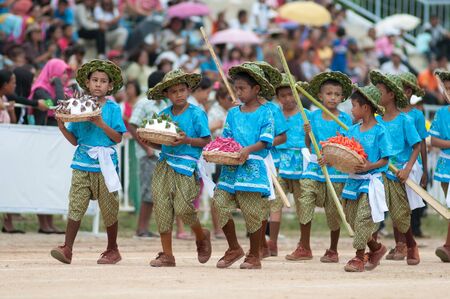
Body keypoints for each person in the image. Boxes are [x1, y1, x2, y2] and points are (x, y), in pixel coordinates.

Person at [50, 59, 127, 264]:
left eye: (103, 81)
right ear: (87, 83)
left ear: (110, 86)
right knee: (76, 204)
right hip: (82, 162)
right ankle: (67, 248)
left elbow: (118, 138)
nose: (98, 84)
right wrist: (63, 128)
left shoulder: (112, 109)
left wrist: (100, 123)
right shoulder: (79, 107)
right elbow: (76, 141)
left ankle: (112, 249)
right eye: (94, 80)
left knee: (109, 207)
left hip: (105, 164)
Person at [146, 69, 212, 267]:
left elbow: (206, 140)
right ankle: (167, 255)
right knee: (162, 207)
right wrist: (149, 142)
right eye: (173, 91)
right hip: (165, 164)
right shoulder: (163, 115)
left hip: (187, 165)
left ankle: (201, 236)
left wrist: (187, 140)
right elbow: (162, 144)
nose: (179, 94)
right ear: (167, 94)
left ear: (189, 90)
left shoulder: (197, 113)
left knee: (183, 206)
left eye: (182, 90)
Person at [213, 63, 275, 269]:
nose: (238, 92)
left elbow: (265, 141)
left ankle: (254, 254)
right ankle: (233, 248)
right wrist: (216, 153)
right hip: (231, 168)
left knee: (252, 213)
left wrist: (247, 150)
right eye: (236, 88)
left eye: (242, 88)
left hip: (253, 167)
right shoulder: (232, 113)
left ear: (256, 89)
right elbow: (226, 139)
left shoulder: (266, 112)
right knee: (219, 203)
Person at [288, 71, 353, 263]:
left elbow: (345, 144)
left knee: (333, 211)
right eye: (328, 93)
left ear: (342, 97)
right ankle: (304, 246)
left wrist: (331, 158)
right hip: (315, 167)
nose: (332, 97)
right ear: (320, 96)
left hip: (336, 169)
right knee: (305, 198)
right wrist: (307, 133)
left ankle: (333, 250)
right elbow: (308, 143)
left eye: (336, 94)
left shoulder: (345, 119)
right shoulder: (313, 116)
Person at [339, 84, 393, 272]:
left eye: (354, 106)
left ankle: (359, 257)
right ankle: (377, 249)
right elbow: (343, 151)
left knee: (363, 219)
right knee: (352, 218)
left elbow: (385, 158)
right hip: (353, 181)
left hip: (371, 181)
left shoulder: (380, 130)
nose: (351, 110)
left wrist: (370, 165)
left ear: (365, 108)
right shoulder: (352, 130)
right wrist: (329, 159)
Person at [370, 70, 421, 265]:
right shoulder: (376, 120)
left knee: (400, 214)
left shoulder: (405, 120)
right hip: (378, 171)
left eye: (380, 92)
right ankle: (373, 248)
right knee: (373, 211)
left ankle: (410, 244)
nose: (377, 96)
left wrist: (407, 169)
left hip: (397, 173)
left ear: (391, 95)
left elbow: (416, 145)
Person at [267, 73, 309, 256]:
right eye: (283, 96)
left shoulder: (306, 115)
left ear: (297, 93)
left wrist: (309, 132)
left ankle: (304, 243)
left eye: (291, 94)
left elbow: (310, 142)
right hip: (279, 163)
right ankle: (272, 243)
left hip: (301, 162)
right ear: (278, 98)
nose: (288, 99)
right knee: (275, 202)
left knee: (303, 204)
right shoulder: (274, 113)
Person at [128, 71, 166, 238]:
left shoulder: (164, 104)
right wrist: (147, 148)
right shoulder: (144, 103)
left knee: (155, 192)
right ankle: (141, 228)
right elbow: (132, 124)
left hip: (160, 153)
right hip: (148, 154)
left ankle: (144, 228)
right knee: (148, 191)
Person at [398, 72, 429, 241]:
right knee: (397, 203)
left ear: (408, 92)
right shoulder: (391, 113)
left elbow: (422, 142)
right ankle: (401, 241)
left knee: (408, 204)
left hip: (412, 165)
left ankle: (406, 241)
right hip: (394, 164)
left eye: (399, 90)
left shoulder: (417, 115)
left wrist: (424, 170)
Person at [429, 70, 450, 262]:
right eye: (448, 89)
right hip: (445, 166)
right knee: (449, 206)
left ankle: (448, 245)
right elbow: (434, 140)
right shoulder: (442, 113)